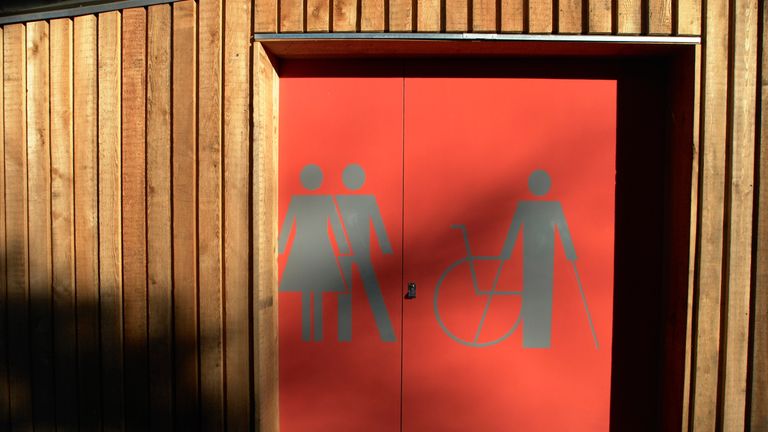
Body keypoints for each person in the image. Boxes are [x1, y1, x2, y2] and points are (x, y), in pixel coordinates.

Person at [500, 170, 576, 348]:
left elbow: (514, 230)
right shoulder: (548, 207)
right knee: (538, 293)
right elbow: (563, 232)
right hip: (538, 255)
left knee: (537, 293)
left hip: (537, 255)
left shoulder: (537, 207)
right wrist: (571, 254)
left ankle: (536, 339)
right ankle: (536, 339)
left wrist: (505, 253)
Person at [278, 164, 349, 341]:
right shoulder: (325, 201)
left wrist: (280, 248)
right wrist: (342, 248)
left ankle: (310, 331)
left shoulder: (298, 201)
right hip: (320, 247)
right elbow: (336, 227)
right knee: (314, 290)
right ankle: (314, 332)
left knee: (307, 291)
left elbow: (287, 225)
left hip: (303, 248)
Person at [336, 164, 396, 342]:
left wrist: (385, 247)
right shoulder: (344, 201)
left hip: (361, 251)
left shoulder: (363, 201)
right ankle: (347, 332)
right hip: (351, 252)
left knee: (370, 290)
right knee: (354, 293)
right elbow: (337, 225)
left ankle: (382, 330)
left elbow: (376, 223)